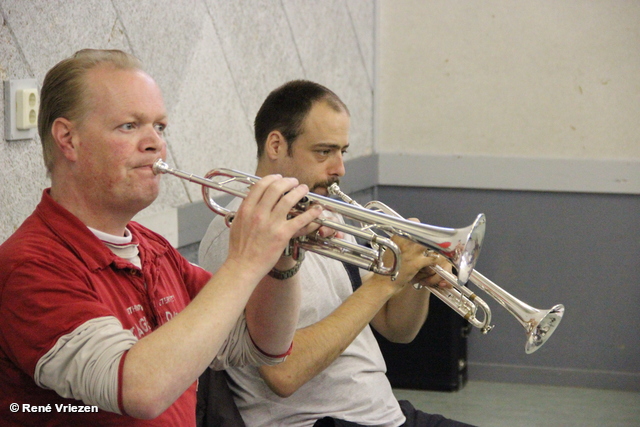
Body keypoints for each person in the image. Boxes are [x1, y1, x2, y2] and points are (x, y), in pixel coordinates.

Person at [0, 51, 329, 426]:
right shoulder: (30, 267)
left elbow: (263, 344)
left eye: (160, 127)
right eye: (129, 126)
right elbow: (140, 391)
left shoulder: (152, 248)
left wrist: (284, 258)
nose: (155, 143)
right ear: (68, 139)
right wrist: (245, 262)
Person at [198, 80, 474, 427]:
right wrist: (384, 285)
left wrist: (414, 277)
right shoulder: (238, 232)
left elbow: (398, 330)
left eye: (342, 151)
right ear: (276, 145)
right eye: (323, 152)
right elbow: (284, 373)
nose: (339, 168)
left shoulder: (326, 212)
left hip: (385, 414)